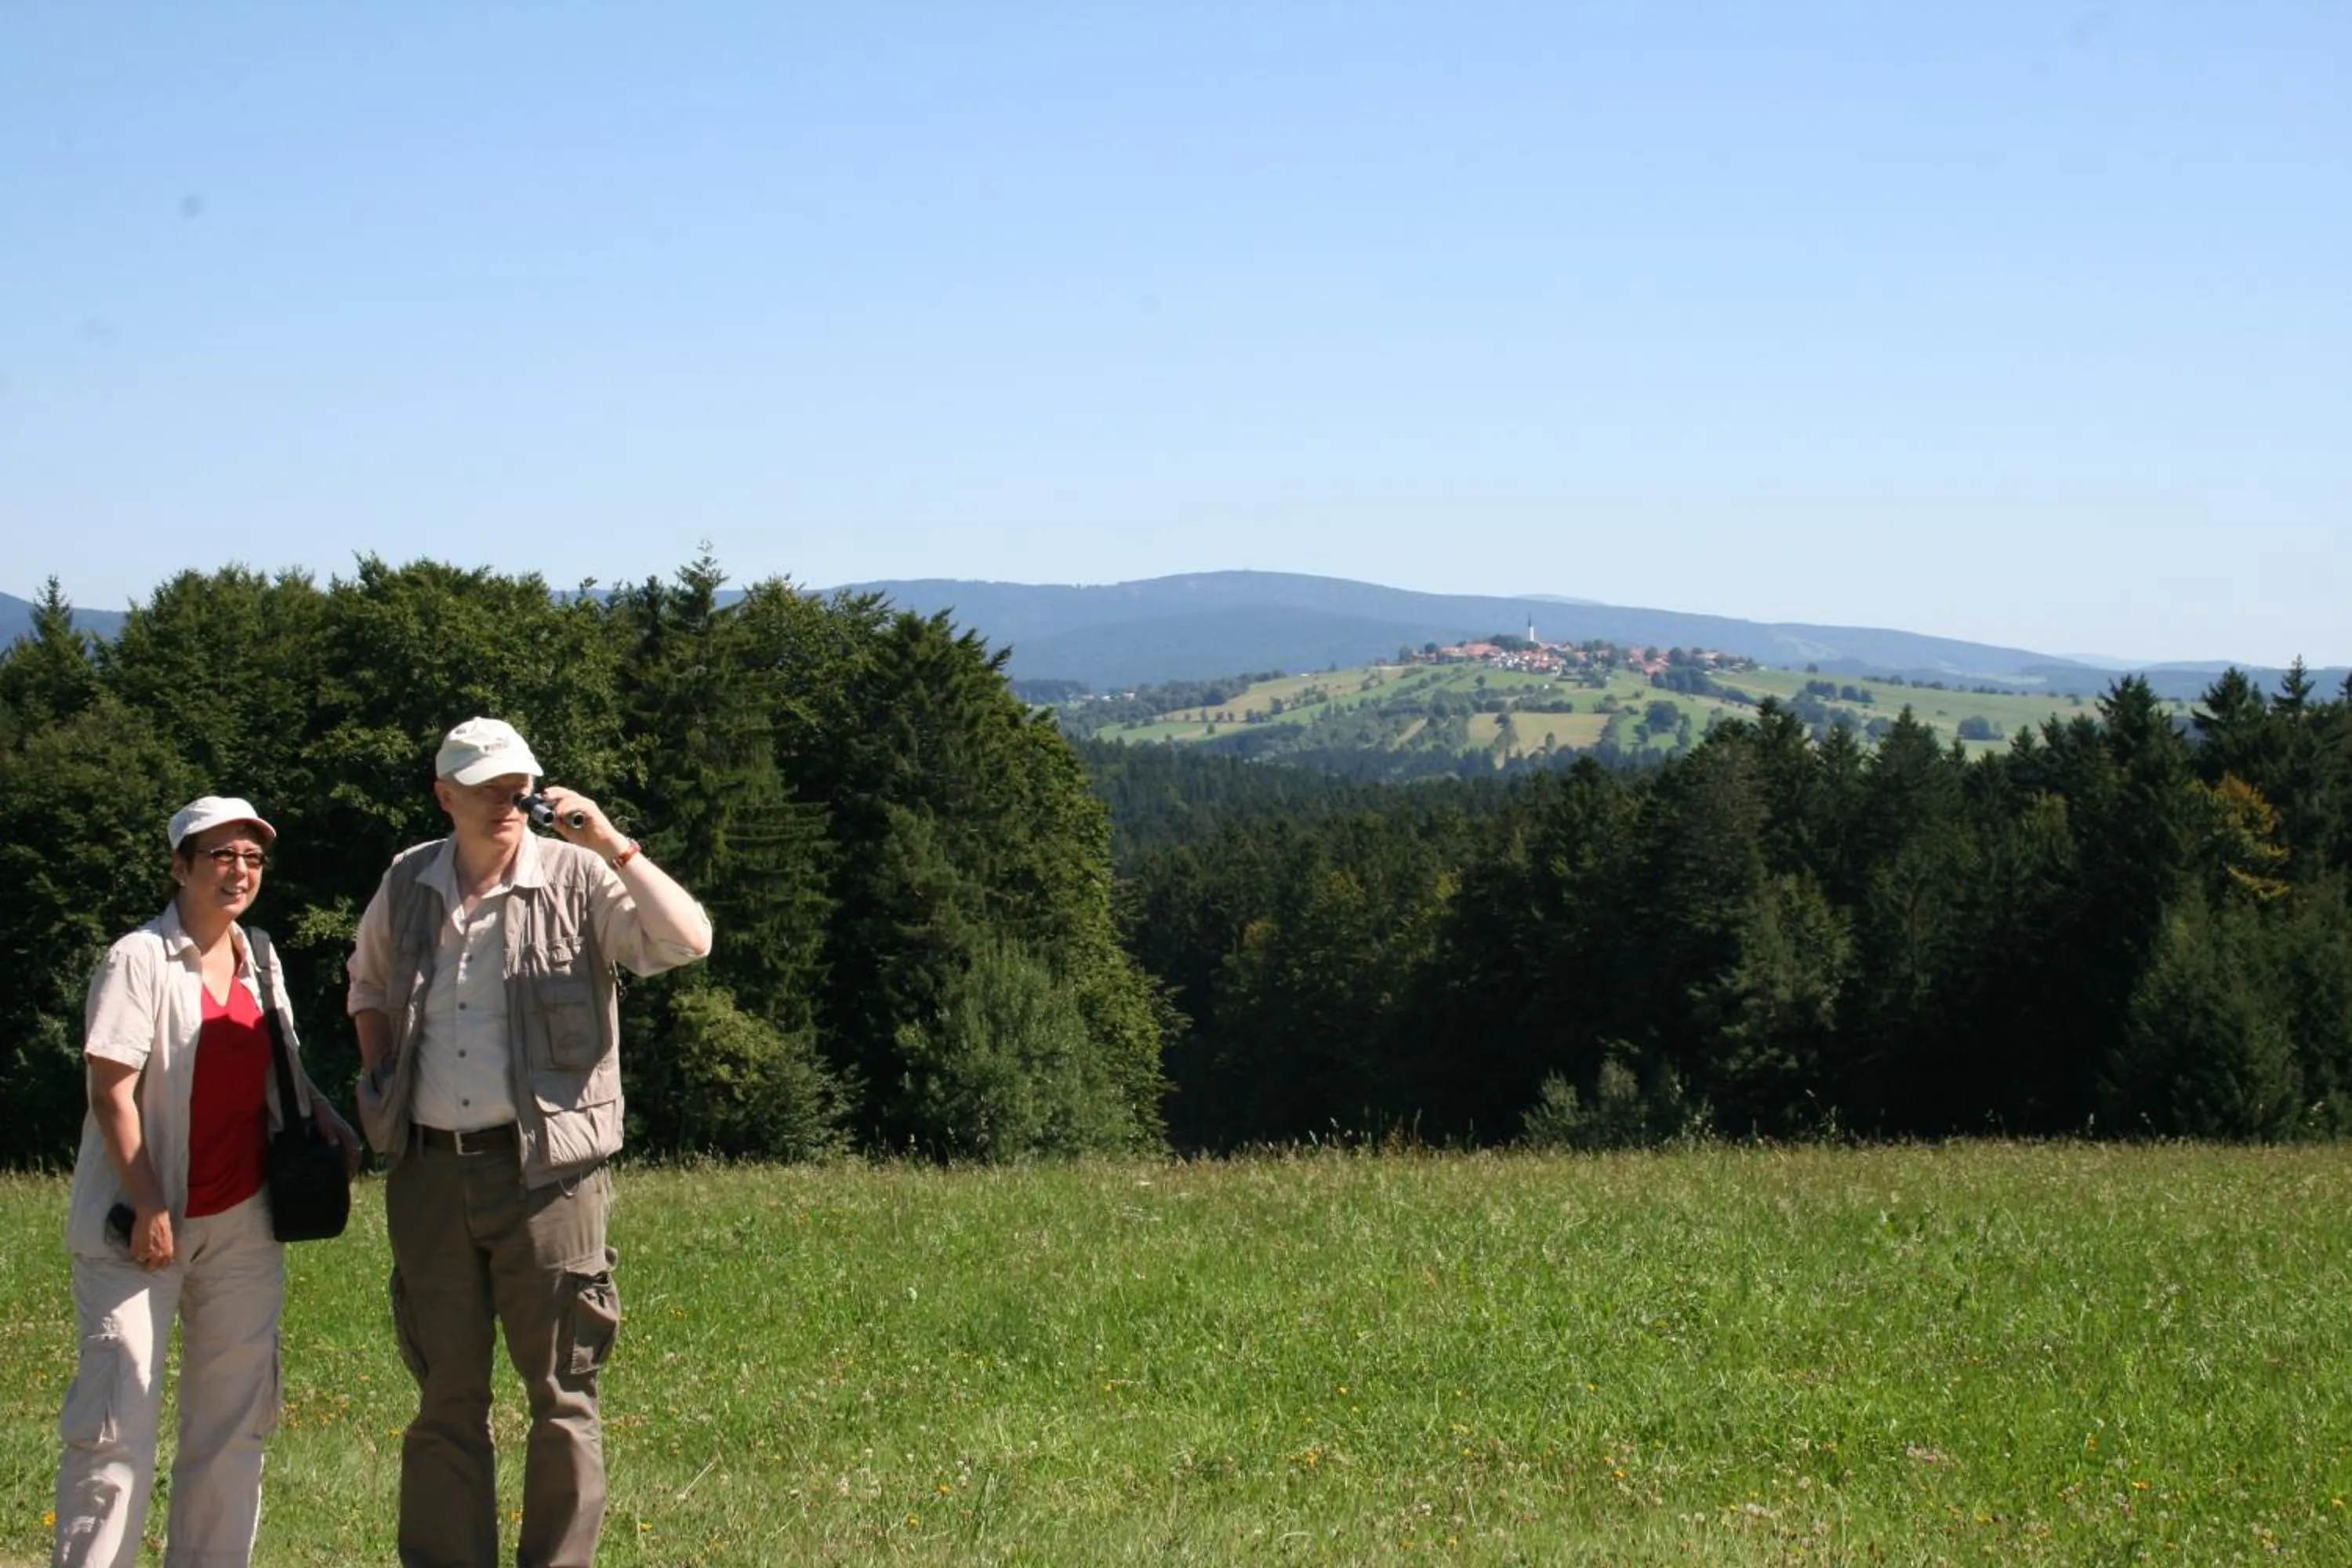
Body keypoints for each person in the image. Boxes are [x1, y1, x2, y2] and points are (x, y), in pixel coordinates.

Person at [347, 717, 713, 1568]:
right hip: (430, 1167)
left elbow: (685, 940)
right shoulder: (408, 881)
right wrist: (380, 1084)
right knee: (446, 1394)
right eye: (487, 786)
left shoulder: (580, 877)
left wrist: (612, 839)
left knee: (563, 1392)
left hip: (551, 1175)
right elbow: (366, 983)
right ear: (446, 796)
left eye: (519, 783)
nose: (509, 798)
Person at [53, 796, 362, 1568]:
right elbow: (109, 1090)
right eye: (220, 854)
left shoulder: (260, 955)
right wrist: (152, 1196)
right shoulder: (138, 958)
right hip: (138, 1218)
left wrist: (328, 1118)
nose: (239, 870)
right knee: (118, 1421)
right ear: (180, 866)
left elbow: (277, 1071)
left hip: (245, 1221)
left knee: (233, 1423)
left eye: (252, 857)